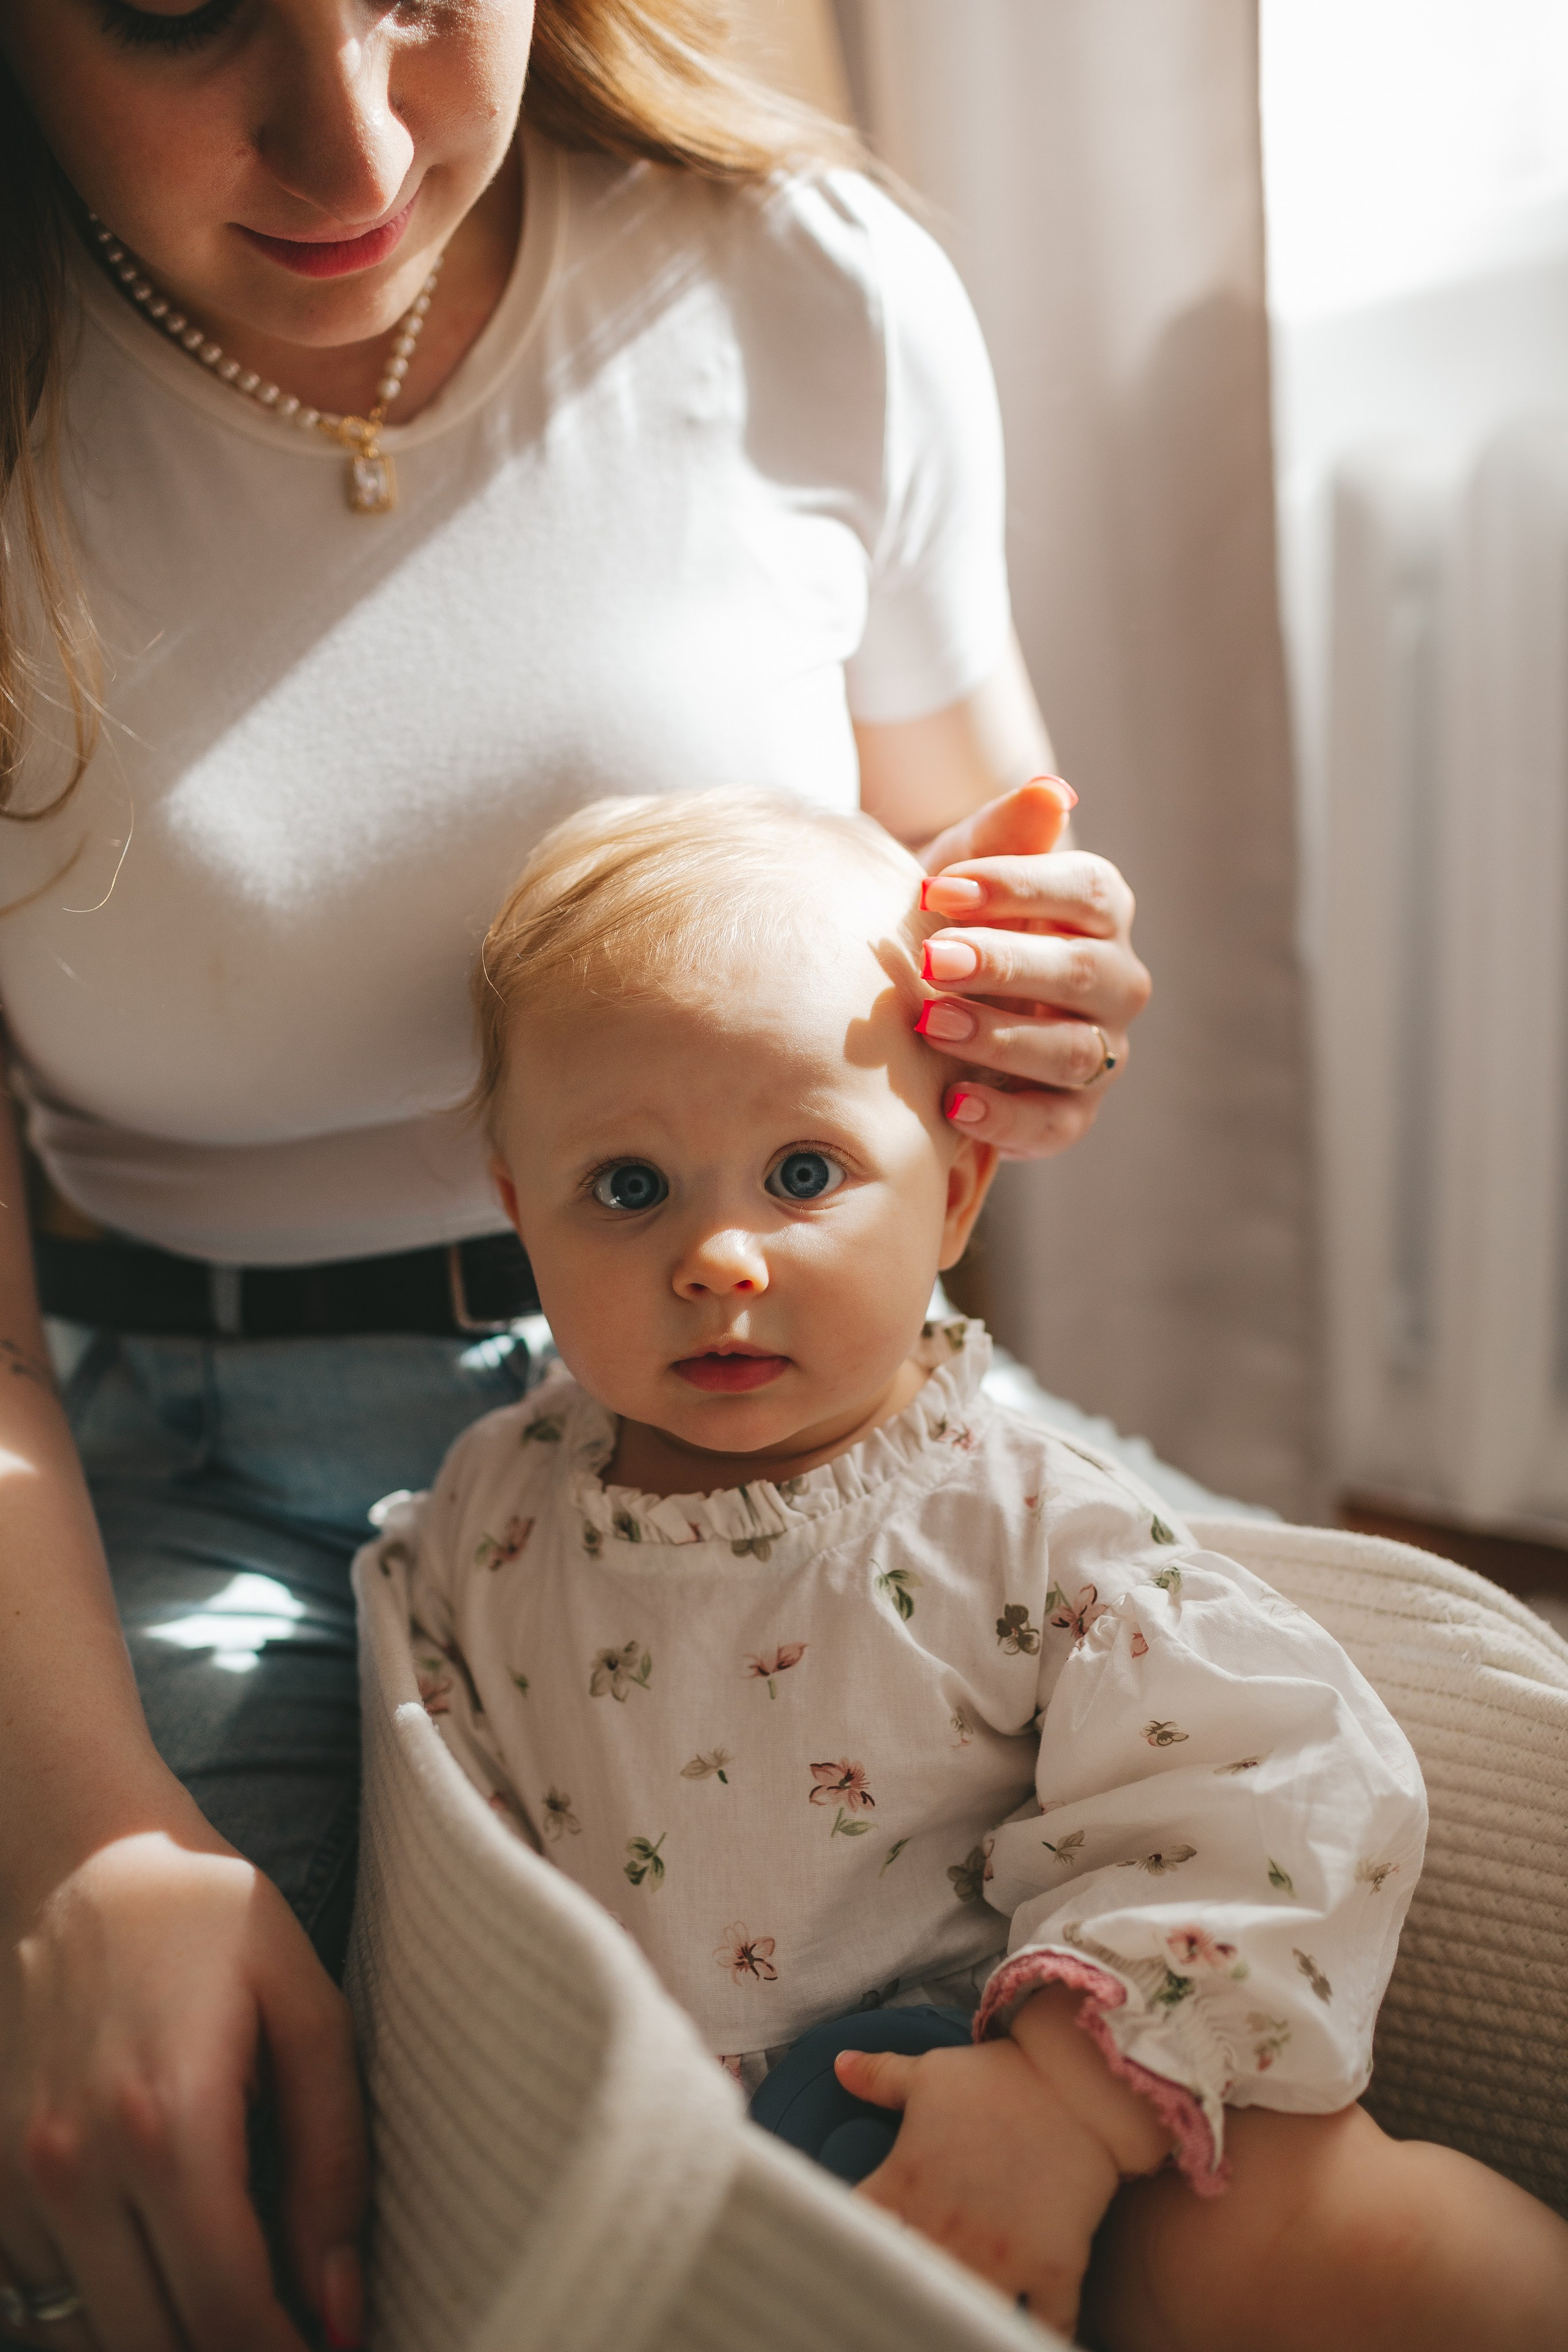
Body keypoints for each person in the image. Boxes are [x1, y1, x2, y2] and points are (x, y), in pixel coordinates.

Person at [0, 7, 1157, 2346]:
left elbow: (967, 854)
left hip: (805, 1412)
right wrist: (90, 1833)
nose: (348, 136)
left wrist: (1032, 1012)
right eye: (182, 9)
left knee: (1174, 2009)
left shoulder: (802, 279)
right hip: (184, 1481)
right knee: (202, 2185)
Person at [377, 788, 1568, 2352]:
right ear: (521, 1215)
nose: (716, 1259)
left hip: (1092, 2122)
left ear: (950, 1194)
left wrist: (1065, 2108)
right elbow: (445, 1819)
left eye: (802, 1176)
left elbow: (1283, 1783)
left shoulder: (1013, 1524)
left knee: (1322, 2242)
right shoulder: (492, 1513)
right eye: (626, 1189)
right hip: (760, 2195)